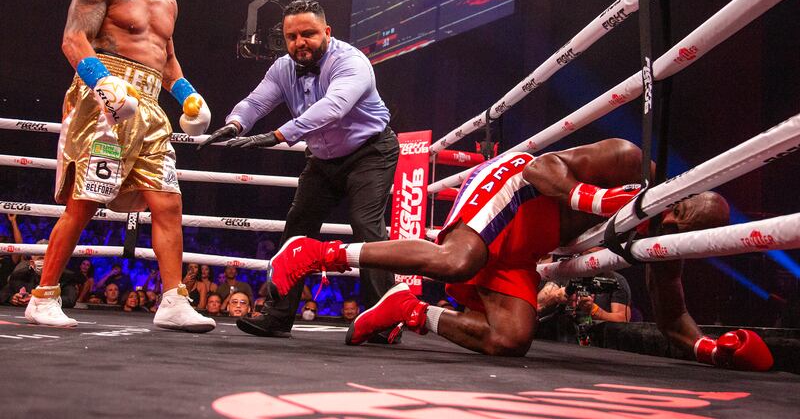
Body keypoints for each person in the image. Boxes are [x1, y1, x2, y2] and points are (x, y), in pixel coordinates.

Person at [264, 138, 773, 371]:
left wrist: (713, 349)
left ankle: (411, 310)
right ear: (680, 188)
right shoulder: (630, 161)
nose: (673, 219)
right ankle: (317, 252)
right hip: (517, 189)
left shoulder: (664, 242)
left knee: (511, 340)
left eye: (684, 225)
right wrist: (606, 200)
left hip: (529, 243)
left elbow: (673, 319)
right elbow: (540, 170)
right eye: (680, 207)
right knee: (456, 260)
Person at [24, 0, 214, 332]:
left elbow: (167, 60)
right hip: (104, 102)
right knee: (85, 202)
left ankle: (172, 301)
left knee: (168, 201)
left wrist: (187, 96)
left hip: (148, 106)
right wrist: (103, 82)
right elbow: (73, 39)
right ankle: (43, 295)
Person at [199, 0, 399, 338]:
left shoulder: (351, 62)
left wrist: (278, 135)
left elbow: (333, 107)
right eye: (292, 36)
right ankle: (278, 316)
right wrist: (234, 124)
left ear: (327, 31)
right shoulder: (282, 68)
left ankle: (384, 321)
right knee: (296, 229)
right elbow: (256, 101)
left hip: (369, 153)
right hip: (321, 158)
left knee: (367, 227)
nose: (299, 43)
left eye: (308, 34)